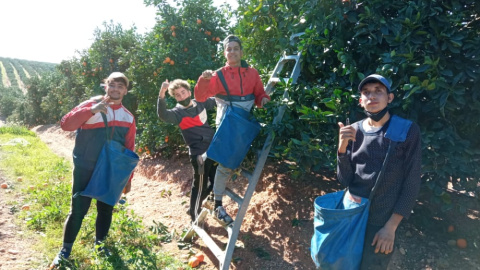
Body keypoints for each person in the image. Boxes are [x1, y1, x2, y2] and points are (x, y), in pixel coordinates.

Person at [51, 72, 136, 267]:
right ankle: (65, 249)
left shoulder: (128, 117)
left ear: (125, 90)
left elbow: (129, 149)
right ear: (105, 86)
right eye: (112, 85)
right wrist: (92, 110)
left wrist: (127, 178)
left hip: (111, 171)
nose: (116, 89)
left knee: (105, 209)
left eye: (120, 86)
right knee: (78, 209)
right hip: (86, 167)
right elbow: (66, 124)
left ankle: (100, 246)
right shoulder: (90, 105)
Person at [336, 74, 422, 269]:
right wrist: (342, 147)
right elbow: (344, 179)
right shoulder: (354, 130)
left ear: (389, 98)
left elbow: (412, 181)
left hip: (381, 222)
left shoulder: (407, 130)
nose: (371, 96)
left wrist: (390, 227)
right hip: (352, 216)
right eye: (366, 92)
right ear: (360, 101)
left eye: (378, 91)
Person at [194, 35, 270, 225]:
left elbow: (259, 94)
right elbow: (201, 96)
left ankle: (209, 157)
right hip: (227, 121)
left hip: (243, 122)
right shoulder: (218, 75)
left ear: (241, 52)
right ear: (225, 53)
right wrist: (203, 80)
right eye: (229, 49)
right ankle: (217, 203)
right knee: (227, 163)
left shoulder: (252, 73)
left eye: (236, 48)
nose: (233, 52)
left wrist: (264, 100)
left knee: (228, 161)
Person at [157, 78, 217, 222]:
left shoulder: (201, 103)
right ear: (175, 98)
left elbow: (218, 100)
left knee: (217, 182)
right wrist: (162, 92)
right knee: (200, 186)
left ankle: (195, 207)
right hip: (199, 154)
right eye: (177, 95)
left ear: (189, 92)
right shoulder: (177, 113)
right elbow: (163, 115)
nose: (182, 96)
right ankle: (194, 217)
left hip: (214, 149)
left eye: (183, 92)